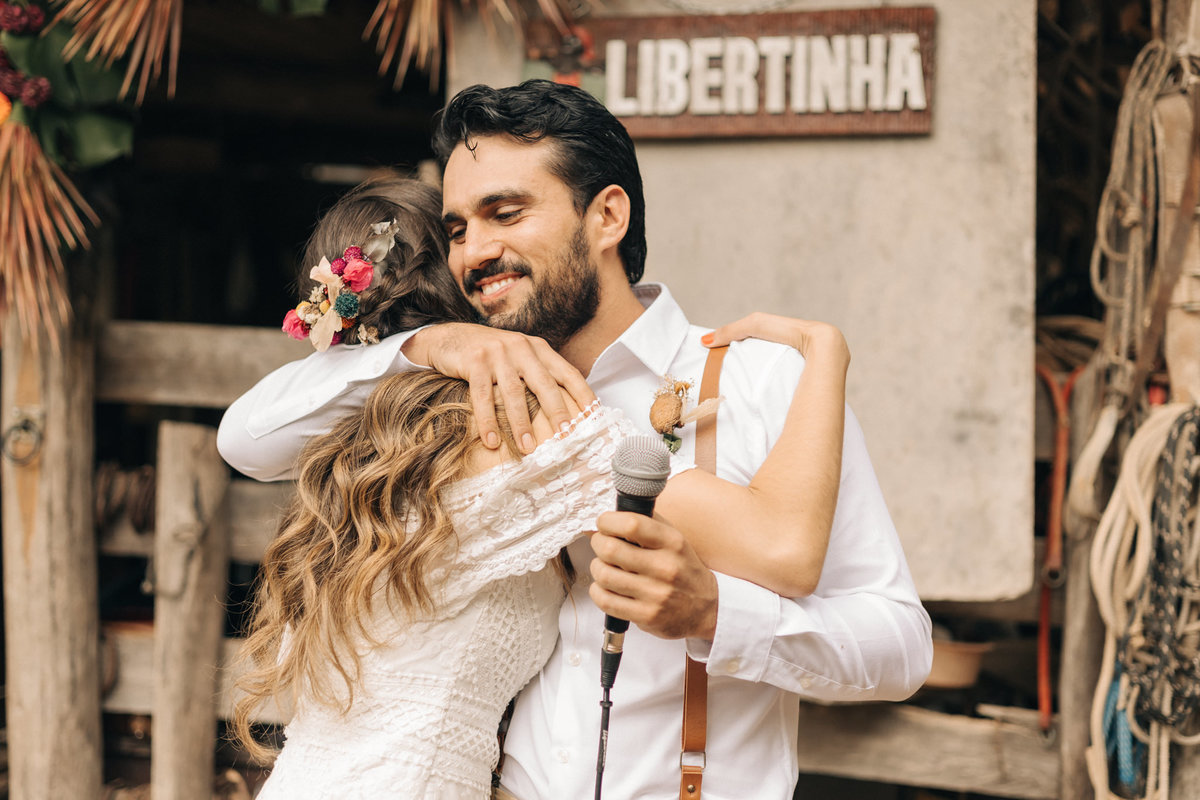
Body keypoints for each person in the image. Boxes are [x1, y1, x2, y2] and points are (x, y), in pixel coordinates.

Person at [218, 80, 932, 800]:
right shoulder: (461, 404)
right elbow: (245, 439)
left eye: (507, 212)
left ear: (607, 216)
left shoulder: (761, 379)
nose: (475, 251)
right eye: (460, 228)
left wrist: (717, 616)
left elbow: (899, 644)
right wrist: (432, 343)